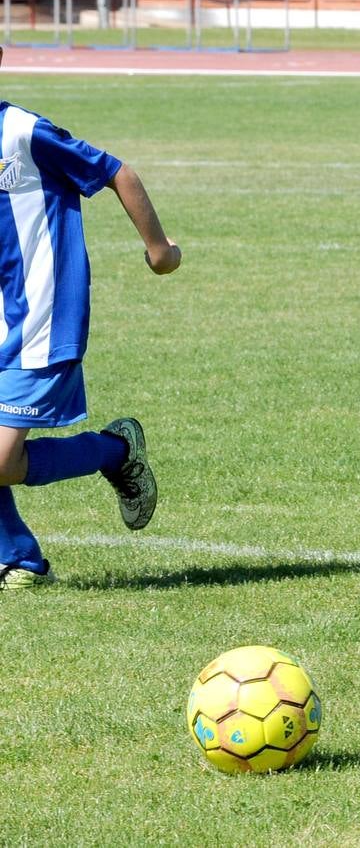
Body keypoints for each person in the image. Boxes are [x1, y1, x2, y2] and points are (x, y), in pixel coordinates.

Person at [0, 45, 181, 591]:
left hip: (42, 317)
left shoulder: (22, 132)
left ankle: (115, 451)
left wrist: (159, 249)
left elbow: (117, 172)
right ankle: (20, 559)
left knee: (3, 462)